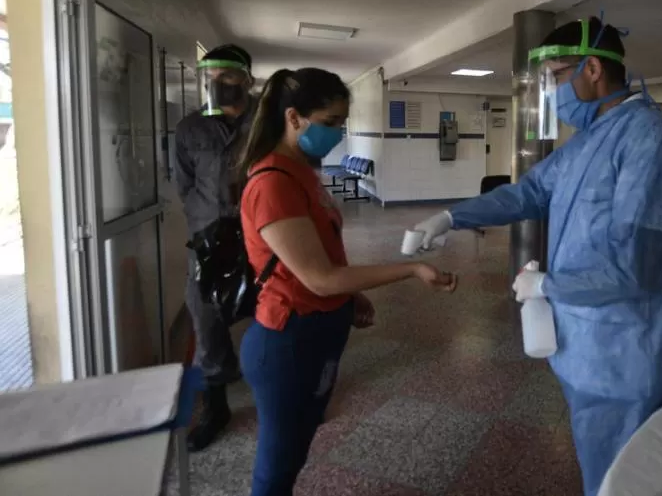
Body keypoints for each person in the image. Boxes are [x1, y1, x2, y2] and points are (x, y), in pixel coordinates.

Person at [409, 17, 662, 496]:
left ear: (591, 68)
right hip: (590, 343)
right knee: (607, 464)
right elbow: (527, 194)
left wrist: (547, 286)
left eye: (555, 76)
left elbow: (640, 267)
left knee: (622, 478)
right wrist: (449, 217)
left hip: (630, 349)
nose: (550, 91)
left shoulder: (651, 139)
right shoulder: (587, 142)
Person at [237, 68, 456, 496]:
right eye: (330, 122)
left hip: (318, 331)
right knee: (276, 466)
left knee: (296, 449)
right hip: (287, 340)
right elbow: (318, 278)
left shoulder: (302, 171)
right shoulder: (273, 183)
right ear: (294, 117)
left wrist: (349, 292)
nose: (337, 133)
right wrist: (410, 269)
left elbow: (318, 258)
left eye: (342, 123)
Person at [174, 44, 256, 451]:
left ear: (247, 78)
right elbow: (184, 184)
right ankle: (217, 406)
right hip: (208, 236)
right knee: (206, 318)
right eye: (210, 76)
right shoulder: (190, 128)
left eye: (227, 76)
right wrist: (205, 217)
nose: (217, 83)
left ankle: (281, 392)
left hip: (262, 232)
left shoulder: (269, 121)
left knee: (274, 311)